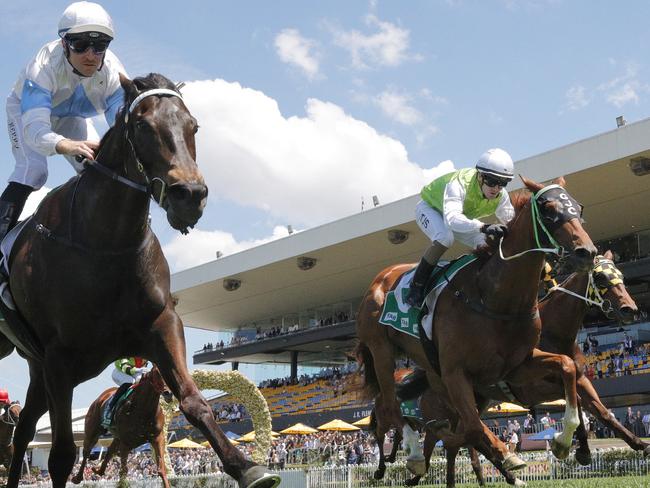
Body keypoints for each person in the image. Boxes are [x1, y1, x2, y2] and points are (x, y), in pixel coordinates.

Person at [0, 2, 126, 247]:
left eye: (99, 46)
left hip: (71, 118)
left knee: (98, 169)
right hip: (26, 113)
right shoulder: (43, 66)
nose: (90, 55)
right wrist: (66, 145)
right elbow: (36, 132)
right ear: (63, 44)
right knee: (33, 170)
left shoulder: (113, 71)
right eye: (80, 45)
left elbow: (124, 128)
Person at [405, 148, 515, 306]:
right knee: (445, 237)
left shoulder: (501, 196)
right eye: (491, 181)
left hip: (460, 217)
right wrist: (484, 226)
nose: (496, 188)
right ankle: (416, 287)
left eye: (502, 183)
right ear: (480, 175)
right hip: (431, 209)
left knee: (487, 246)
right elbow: (452, 219)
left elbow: (512, 223)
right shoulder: (459, 184)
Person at [102, 356, 149, 427]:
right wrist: (138, 370)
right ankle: (109, 409)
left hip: (135, 371)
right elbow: (125, 368)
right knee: (130, 381)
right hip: (120, 371)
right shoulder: (127, 349)